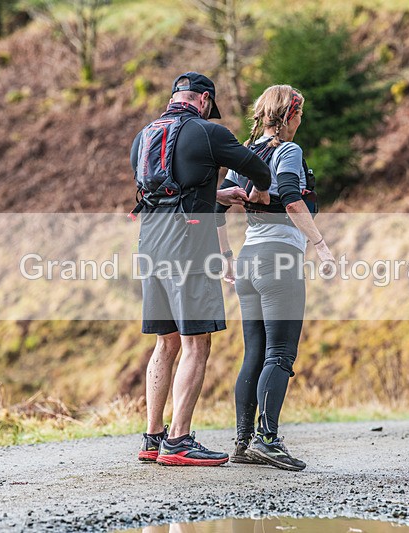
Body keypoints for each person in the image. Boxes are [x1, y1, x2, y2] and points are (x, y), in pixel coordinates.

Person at [130, 72, 271, 465]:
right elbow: (259, 170)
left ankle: (153, 437)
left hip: (149, 243)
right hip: (188, 247)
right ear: (205, 100)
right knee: (197, 342)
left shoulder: (145, 135)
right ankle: (179, 441)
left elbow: (169, 190)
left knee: (166, 342)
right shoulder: (209, 132)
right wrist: (259, 193)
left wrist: (216, 195)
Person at [216, 85, 335, 471]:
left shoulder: (245, 154)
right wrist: (321, 245)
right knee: (280, 354)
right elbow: (292, 198)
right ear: (291, 115)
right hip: (279, 260)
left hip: (249, 259)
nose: (301, 121)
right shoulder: (289, 150)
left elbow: (216, 205)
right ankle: (267, 440)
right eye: (300, 114)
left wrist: (226, 257)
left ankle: (243, 442)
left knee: (254, 353)